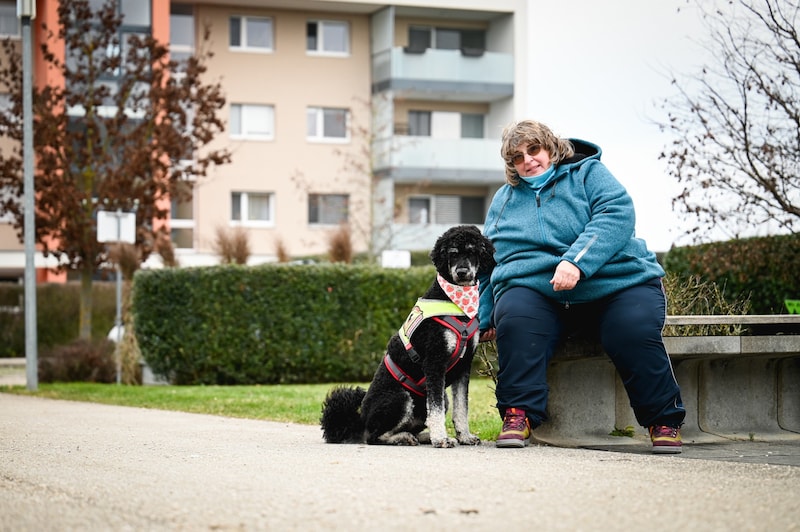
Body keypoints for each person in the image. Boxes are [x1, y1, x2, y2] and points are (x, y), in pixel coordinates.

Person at [478, 119, 685, 453]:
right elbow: (492, 260)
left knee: (631, 329)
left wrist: (577, 261)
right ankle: (518, 414)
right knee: (515, 318)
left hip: (617, 281)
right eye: (517, 157)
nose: (528, 160)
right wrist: (485, 313)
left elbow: (616, 214)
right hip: (543, 291)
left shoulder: (588, 173)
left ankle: (664, 419)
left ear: (550, 148)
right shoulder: (504, 200)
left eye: (534, 150)